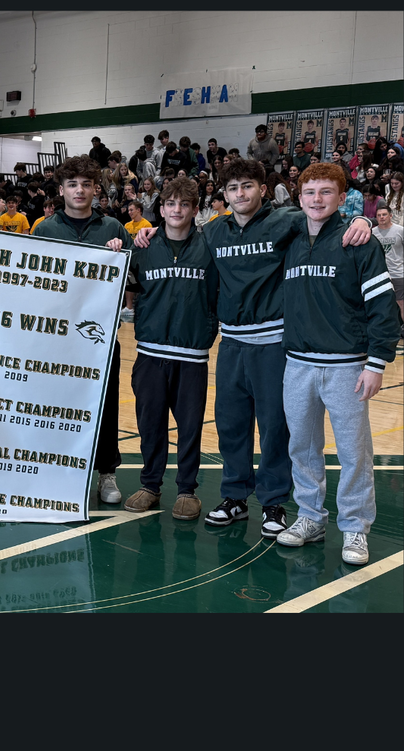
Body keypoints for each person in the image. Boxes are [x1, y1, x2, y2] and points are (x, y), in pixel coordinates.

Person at [133, 157, 373, 539]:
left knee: (275, 426)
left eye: (248, 186)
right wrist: (142, 235)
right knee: (230, 425)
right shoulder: (213, 232)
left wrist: (364, 220)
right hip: (231, 344)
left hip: (274, 343)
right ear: (223, 195)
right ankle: (234, 498)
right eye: (232, 188)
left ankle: (275, 502)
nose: (240, 194)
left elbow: (324, 218)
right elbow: (173, 238)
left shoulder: (287, 221)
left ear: (262, 189)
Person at [277, 164, 399, 565]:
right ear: (298, 198)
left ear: (342, 195)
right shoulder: (289, 237)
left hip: (347, 364)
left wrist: (377, 362)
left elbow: (383, 308)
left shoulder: (358, 240)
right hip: (297, 364)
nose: (316, 199)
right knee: (303, 448)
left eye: (326, 191)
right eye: (309, 192)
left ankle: (354, 528)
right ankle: (310, 517)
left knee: (353, 451)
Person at [33, 154, 134, 506]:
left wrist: (120, 257)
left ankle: (106, 472)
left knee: (104, 405)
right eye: (72, 184)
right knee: (57, 405)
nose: (80, 190)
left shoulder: (113, 230)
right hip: (56, 338)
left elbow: (131, 284)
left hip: (100, 336)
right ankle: (60, 471)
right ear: (60, 190)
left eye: (86, 184)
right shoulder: (44, 230)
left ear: (96, 189)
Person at [123, 178, 219, 521]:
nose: (176, 210)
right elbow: (126, 285)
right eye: (170, 204)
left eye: (184, 204)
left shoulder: (209, 247)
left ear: (195, 209)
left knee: (190, 426)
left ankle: (187, 489)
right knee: (150, 423)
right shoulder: (143, 247)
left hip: (191, 355)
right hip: (150, 353)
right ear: (160, 209)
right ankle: (150, 484)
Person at [372, 205, 404, 340]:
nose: (381, 217)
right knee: (381, 304)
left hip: (398, 272)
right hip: (380, 274)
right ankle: (383, 329)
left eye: (384, 214)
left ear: (390, 215)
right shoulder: (372, 232)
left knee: (401, 303)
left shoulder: (400, 230)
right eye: (379, 215)